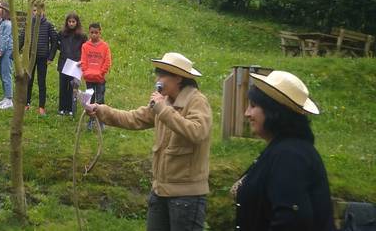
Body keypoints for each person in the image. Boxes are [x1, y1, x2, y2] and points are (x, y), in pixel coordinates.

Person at [87, 52, 211, 231]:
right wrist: (100, 110)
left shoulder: (197, 101)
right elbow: (134, 118)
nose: (158, 80)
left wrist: (162, 108)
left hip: (186, 197)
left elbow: (197, 132)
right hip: (160, 191)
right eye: (157, 74)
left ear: (178, 78)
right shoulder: (164, 101)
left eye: (162, 75)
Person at [233, 71, 335, 230]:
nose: (247, 113)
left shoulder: (291, 156)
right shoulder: (281, 149)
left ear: (273, 112)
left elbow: (290, 220)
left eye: (253, 106)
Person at [20, 2, 58, 115]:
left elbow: (55, 41)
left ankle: (42, 107)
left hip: (43, 58)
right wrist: (15, 52)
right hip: (30, 58)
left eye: (39, 11)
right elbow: (22, 37)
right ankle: (26, 103)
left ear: (43, 11)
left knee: (42, 82)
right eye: (34, 11)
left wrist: (51, 57)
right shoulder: (29, 24)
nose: (36, 13)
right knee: (29, 81)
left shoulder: (48, 25)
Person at [56, 12, 87, 116]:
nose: (71, 23)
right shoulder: (61, 34)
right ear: (67, 22)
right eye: (69, 21)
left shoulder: (82, 36)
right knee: (63, 86)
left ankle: (70, 109)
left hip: (76, 65)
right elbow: (58, 46)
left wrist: (81, 61)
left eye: (73, 21)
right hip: (64, 63)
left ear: (77, 23)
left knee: (72, 87)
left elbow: (85, 50)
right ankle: (61, 108)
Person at [0, 4, 14, 110]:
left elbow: (6, 39)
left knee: (6, 75)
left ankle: (9, 100)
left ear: (4, 10)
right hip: (0, 51)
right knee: (2, 75)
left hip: (7, 51)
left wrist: (1, 51)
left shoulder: (8, 23)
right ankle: (5, 97)